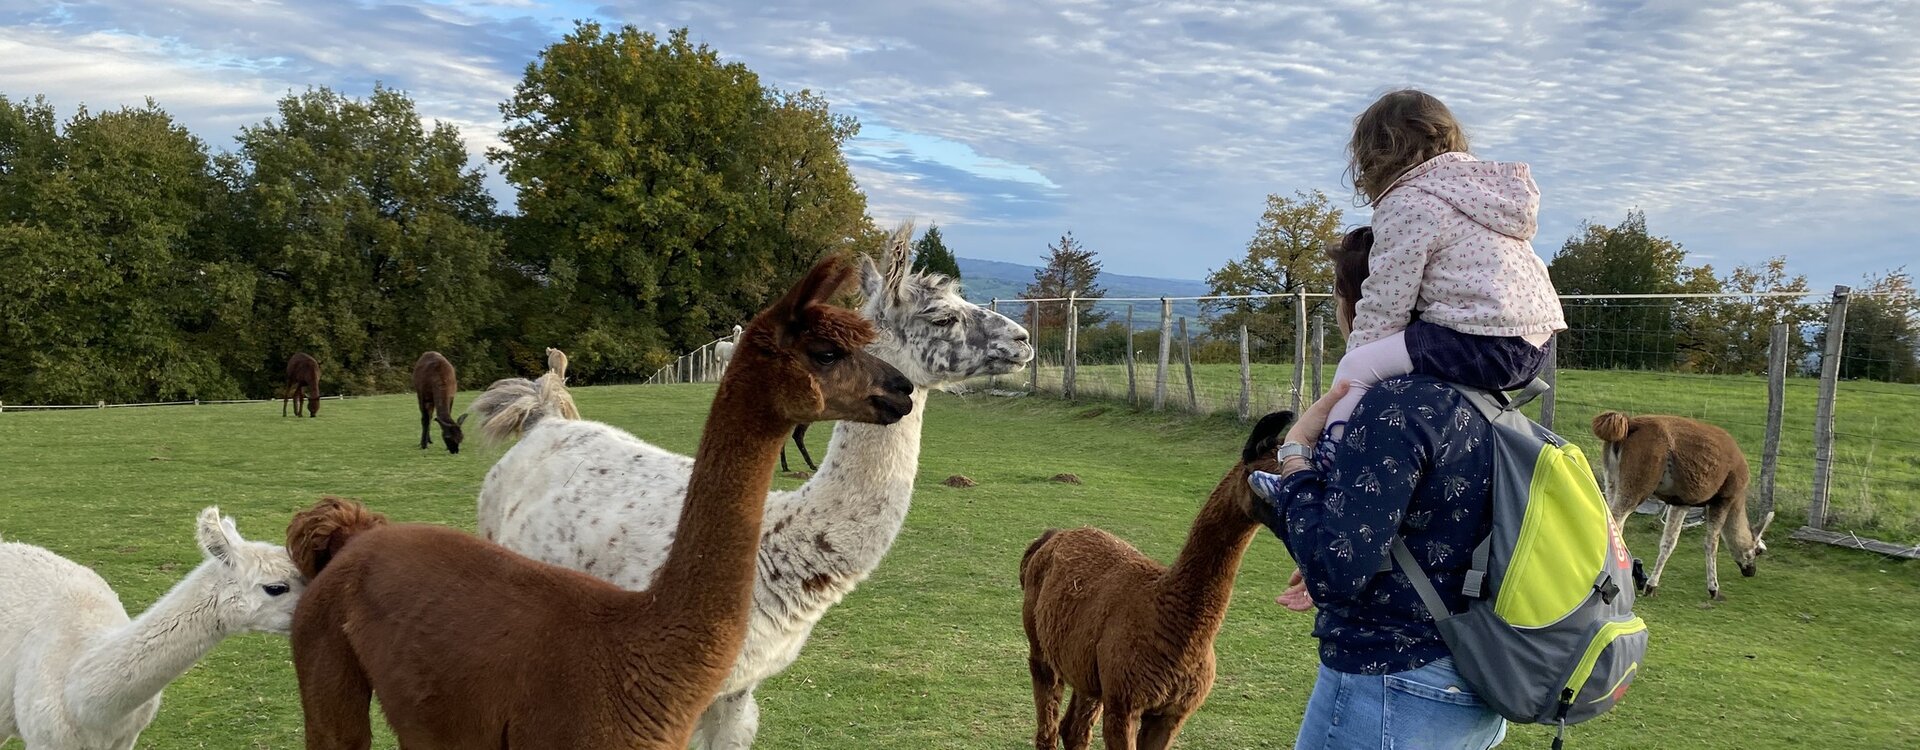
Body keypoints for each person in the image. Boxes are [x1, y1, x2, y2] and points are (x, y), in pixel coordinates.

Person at [1248, 226, 1508, 749]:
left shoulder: (1389, 408)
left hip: (1394, 679)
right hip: (1474, 673)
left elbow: (1336, 572)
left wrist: (1295, 454)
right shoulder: (1479, 397)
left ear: (1367, 304)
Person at [1323, 89, 1565, 445]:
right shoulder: (1480, 194)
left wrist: (1361, 351)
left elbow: (1387, 300)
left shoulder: (1407, 200)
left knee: (1356, 370)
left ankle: (1326, 458)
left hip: (1479, 340)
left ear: (1376, 151)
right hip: (1535, 342)